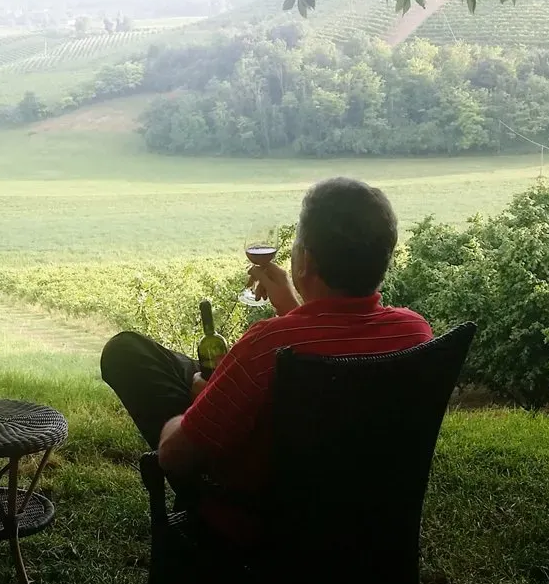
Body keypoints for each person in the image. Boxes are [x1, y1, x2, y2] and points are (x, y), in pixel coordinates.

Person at [100, 177, 433, 544]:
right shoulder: (414, 334)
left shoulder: (268, 343)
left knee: (127, 353)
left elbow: (175, 458)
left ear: (305, 260)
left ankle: (201, 393)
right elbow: (337, 358)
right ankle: (204, 383)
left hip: (261, 527)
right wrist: (293, 307)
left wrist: (190, 408)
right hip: (365, 522)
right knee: (187, 368)